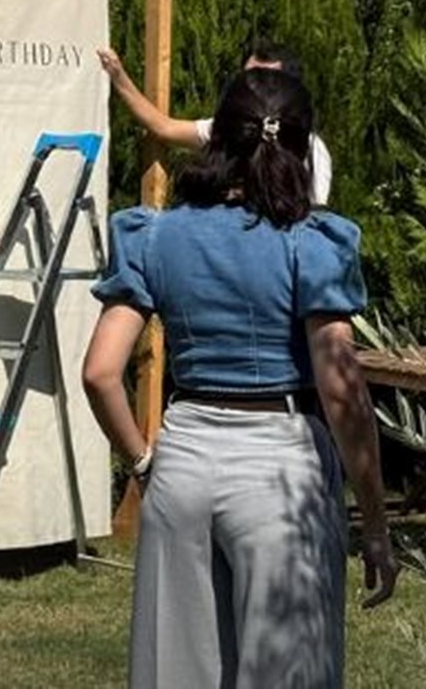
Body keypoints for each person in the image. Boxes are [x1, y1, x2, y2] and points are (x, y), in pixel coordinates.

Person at [83, 68, 396, 688]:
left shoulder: (154, 234)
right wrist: (376, 520)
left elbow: (100, 372)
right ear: (303, 148)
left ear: (217, 141)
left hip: (184, 458)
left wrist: (143, 462)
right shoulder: (311, 242)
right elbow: (341, 388)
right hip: (281, 465)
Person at [97, 42, 333, 205]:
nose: (248, 87)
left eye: (260, 79)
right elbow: (164, 128)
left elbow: (313, 217)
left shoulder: (313, 151)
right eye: (245, 78)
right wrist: (119, 78)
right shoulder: (227, 129)